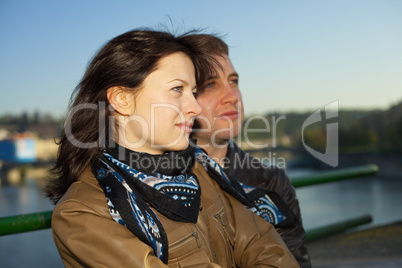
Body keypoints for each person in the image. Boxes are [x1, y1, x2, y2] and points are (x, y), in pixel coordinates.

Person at [44, 29, 298, 267]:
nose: (195, 108)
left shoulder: (197, 171)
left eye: (194, 91)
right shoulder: (82, 214)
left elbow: (268, 248)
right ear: (122, 99)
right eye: (177, 89)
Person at [182, 34, 311, 267]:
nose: (232, 97)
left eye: (234, 81)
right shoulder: (154, 180)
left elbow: (295, 260)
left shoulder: (271, 182)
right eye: (210, 84)